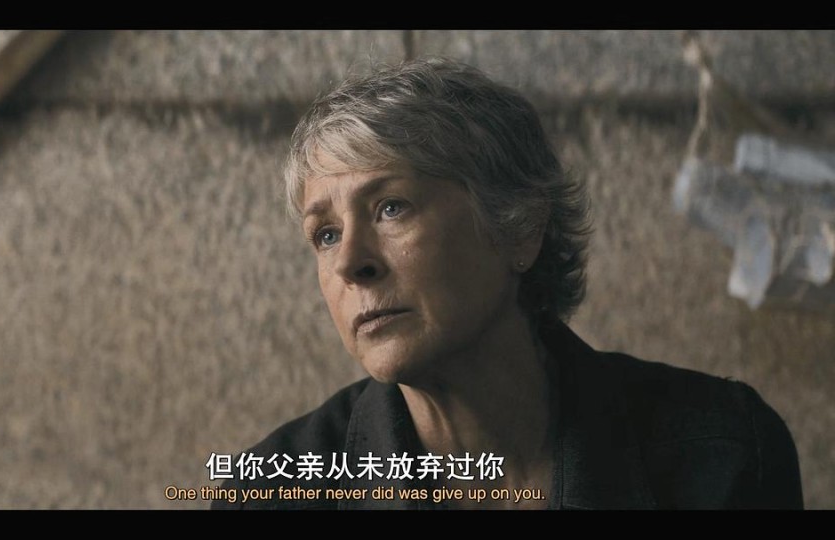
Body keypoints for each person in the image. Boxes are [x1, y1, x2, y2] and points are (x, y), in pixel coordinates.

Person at [211, 57, 803, 510]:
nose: (349, 263)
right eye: (325, 234)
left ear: (521, 229)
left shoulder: (723, 453)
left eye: (391, 207)